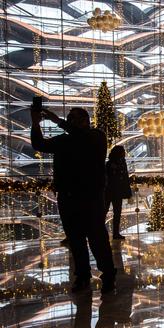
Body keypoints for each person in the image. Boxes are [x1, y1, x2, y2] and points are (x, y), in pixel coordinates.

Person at [31, 106, 116, 294]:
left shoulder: (96, 136)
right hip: (68, 197)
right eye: (69, 118)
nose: (71, 120)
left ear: (86, 120)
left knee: (97, 238)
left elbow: (82, 139)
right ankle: (83, 275)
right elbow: (40, 145)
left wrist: (57, 120)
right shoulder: (64, 140)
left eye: (75, 118)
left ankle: (108, 275)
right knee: (76, 239)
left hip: (91, 197)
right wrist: (35, 123)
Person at [105, 145, 132, 240]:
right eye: (123, 151)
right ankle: (113, 233)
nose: (124, 153)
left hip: (115, 192)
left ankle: (115, 233)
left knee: (116, 212)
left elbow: (124, 178)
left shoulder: (121, 163)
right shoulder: (110, 164)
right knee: (109, 212)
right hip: (111, 192)